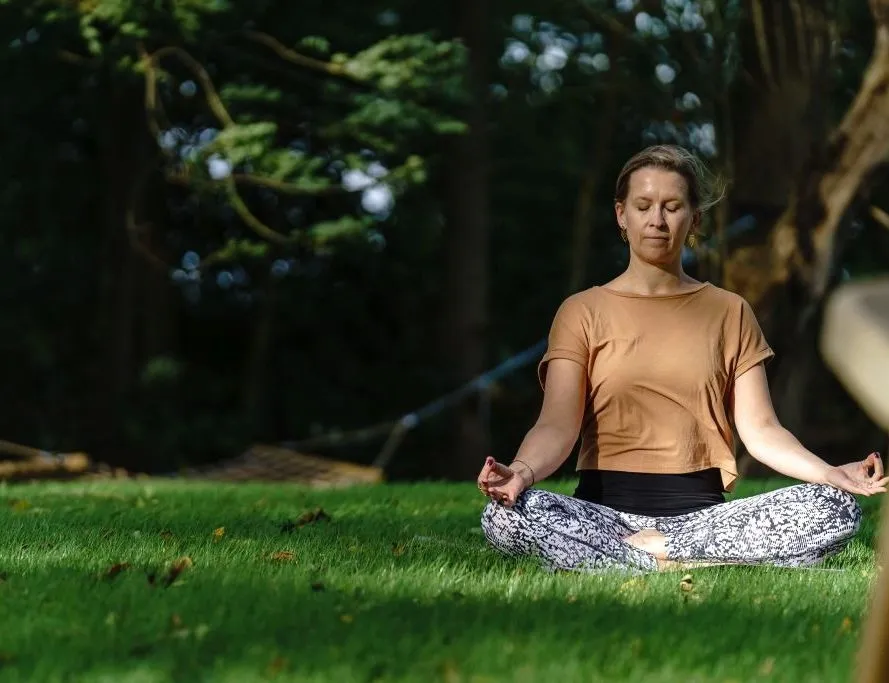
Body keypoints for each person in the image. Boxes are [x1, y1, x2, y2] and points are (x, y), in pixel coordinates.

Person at [477, 144, 888, 573]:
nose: (657, 220)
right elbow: (556, 425)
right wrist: (521, 473)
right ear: (622, 215)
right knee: (503, 516)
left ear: (695, 219)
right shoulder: (582, 311)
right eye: (643, 206)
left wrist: (830, 474)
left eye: (672, 207)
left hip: (703, 520)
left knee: (835, 509)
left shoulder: (729, 311)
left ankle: (653, 552)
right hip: (603, 518)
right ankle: (676, 557)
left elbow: (762, 430)